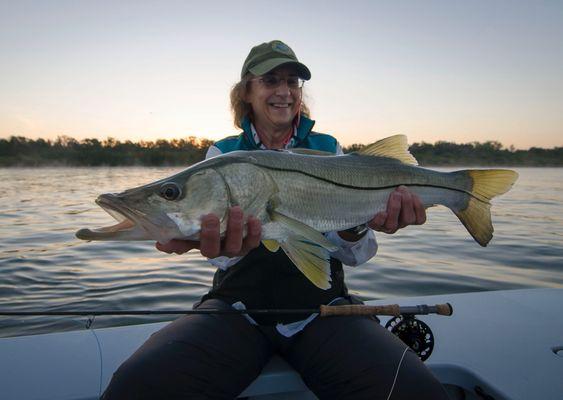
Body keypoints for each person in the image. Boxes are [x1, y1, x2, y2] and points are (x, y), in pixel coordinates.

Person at [102, 40, 449, 399]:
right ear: (247, 93)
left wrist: (357, 224)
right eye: (270, 80)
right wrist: (220, 244)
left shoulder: (329, 150)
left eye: (292, 82)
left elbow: (356, 255)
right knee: (137, 387)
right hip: (238, 310)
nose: (284, 91)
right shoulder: (222, 154)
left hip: (323, 310)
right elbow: (222, 257)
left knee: (417, 392)